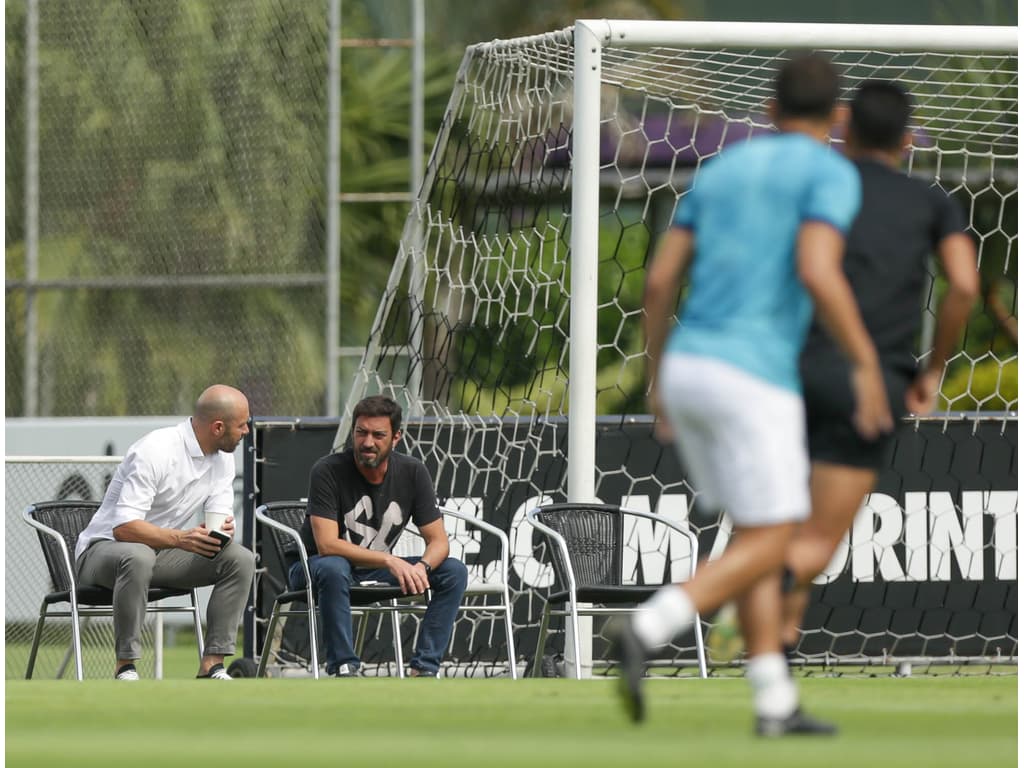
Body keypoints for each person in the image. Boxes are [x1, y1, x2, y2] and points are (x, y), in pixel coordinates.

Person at [613, 52, 893, 735]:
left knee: (756, 529)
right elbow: (818, 270)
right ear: (836, 118)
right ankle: (650, 626)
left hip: (688, 368)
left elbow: (658, 284)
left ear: (767, 110)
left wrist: (656, 380)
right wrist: (863, 363)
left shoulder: (723, 168)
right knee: (779, 537)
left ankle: (774, 702)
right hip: (754, 376)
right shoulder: (831, 171)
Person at [780, 80, 980, 651]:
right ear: (909, 138)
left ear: (844, 129)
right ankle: (769, 586)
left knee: (781, 516)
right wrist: (934, 369)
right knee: (818, 534)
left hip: (794, 370)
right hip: (872, 384)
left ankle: (774, 654)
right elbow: (964, 284)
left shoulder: (816, 193)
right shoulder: (931, 202)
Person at [75, 384, 256, 681]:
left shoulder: (223, 457)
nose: (247, 430)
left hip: (158, 555)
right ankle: (126, 667)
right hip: (101, 553)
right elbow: (124, 528)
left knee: (239, 559)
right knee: (138, 555)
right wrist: (181, 538)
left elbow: (219, 518)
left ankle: (212, 665)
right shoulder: (155, 450)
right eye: (242, 424)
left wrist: (219, 531)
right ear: (218, 427)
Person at [293, 394, 468, 678]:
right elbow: (327, 545)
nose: (368, 442)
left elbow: (439, 542)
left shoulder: (412, 472)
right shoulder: (327, 470)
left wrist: (421, 568)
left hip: (370, 570)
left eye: (378, 435)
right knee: (334, 566)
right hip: (313, 568)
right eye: (361, 433)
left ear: (396, 437)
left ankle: (424, 669)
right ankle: (344, 667)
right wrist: (389, 560)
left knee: (453, 571)